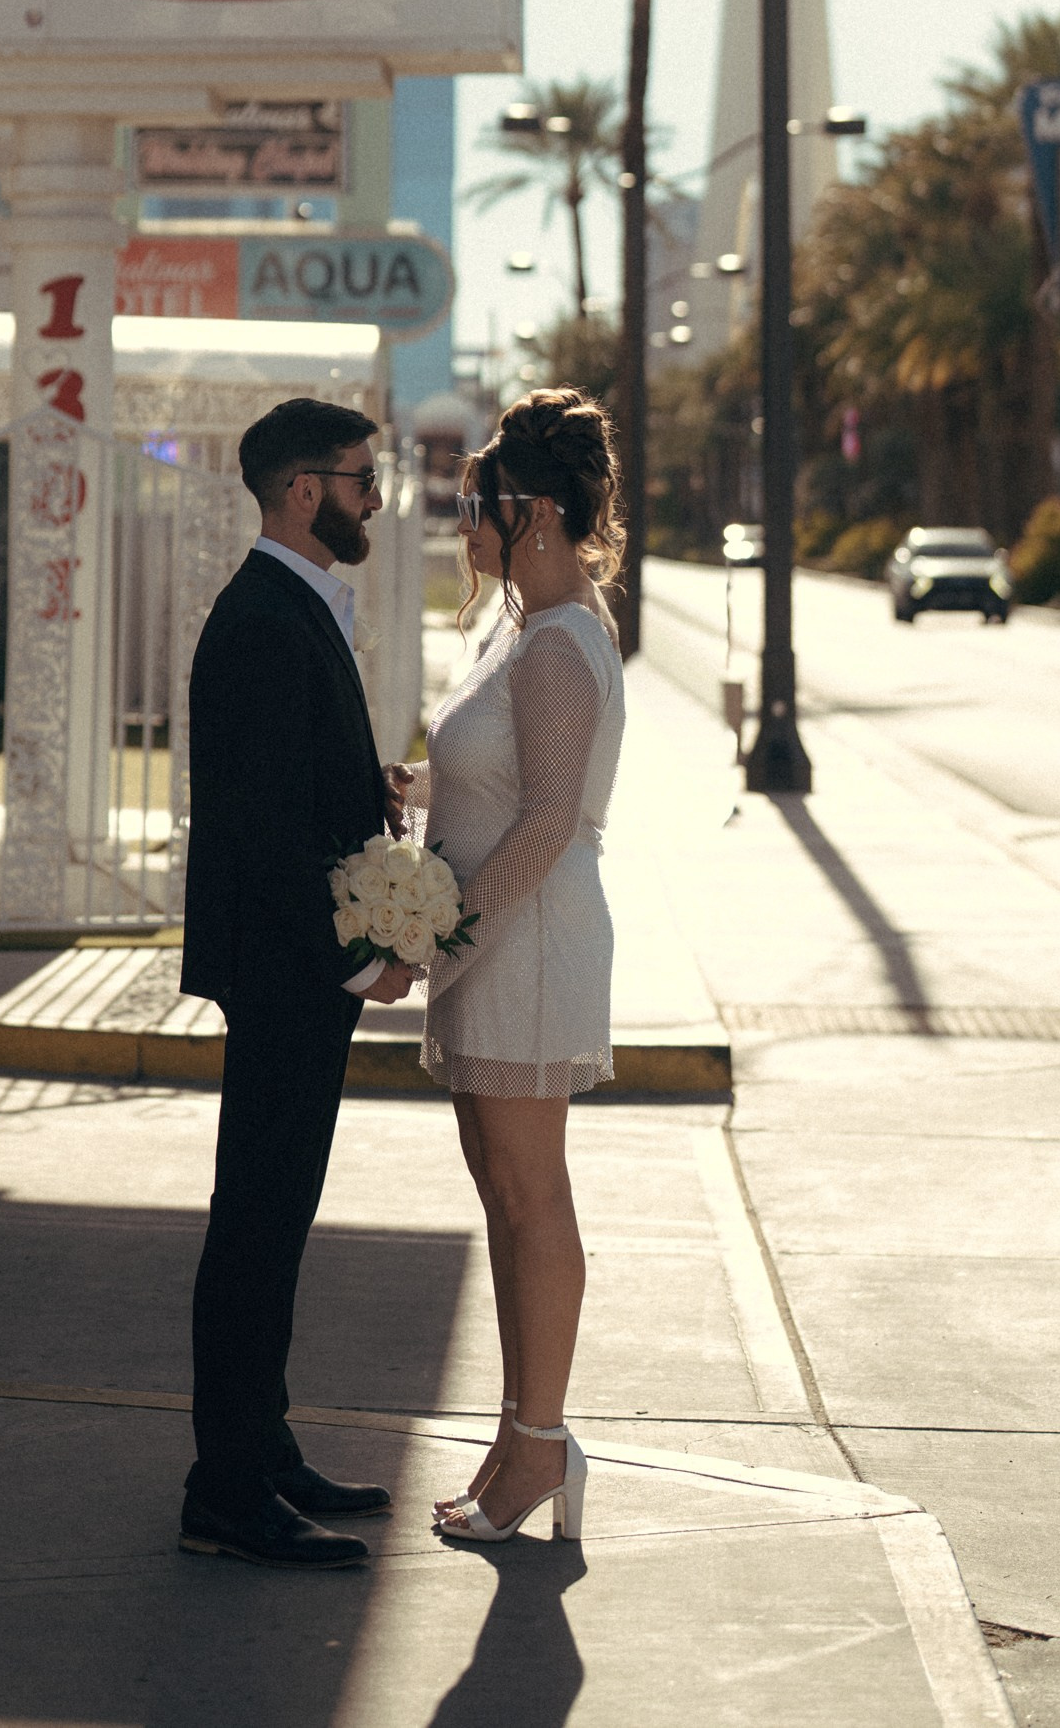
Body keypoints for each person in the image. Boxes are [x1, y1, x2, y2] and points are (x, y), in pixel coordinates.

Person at [178, 395, 421, 1570]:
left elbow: (295, 784)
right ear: (301, 491)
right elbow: (264, 831)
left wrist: (360, 784)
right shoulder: (264, 617)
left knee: (277, 1219)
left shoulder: (296, 606)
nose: (376, 497)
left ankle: (260, 1450)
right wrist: (360, 956)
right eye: (361, 479)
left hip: (292, 970)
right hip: (284, 971)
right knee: (256, 1225)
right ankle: (225, 1490)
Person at [417, 388, 627, 1545]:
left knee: (529, 1193)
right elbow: (499, 784)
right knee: (502, 1193)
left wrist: (438, 931)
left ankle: (538, 1445)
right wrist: (419, 800)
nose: (466, 529)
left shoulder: (557, 644)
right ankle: (517, 1433)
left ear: (534, 512)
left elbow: (547, 822)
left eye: (478, 508)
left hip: (527, 939)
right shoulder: (519, 625)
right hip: (496, 938)